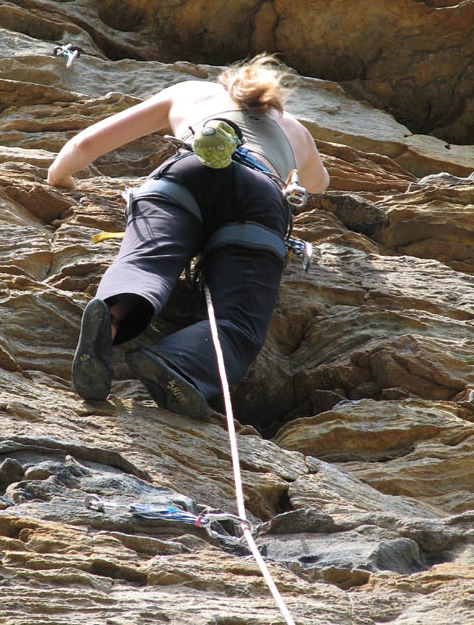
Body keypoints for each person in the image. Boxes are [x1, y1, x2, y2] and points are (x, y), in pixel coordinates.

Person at [47, 55, 329, 421]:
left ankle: (112, 316)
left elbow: (85, 146)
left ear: (224, 83)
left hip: (184, 174)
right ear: (274, 100)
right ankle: (176, 362)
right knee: (238, 319)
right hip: (258, 193)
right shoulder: (297, 131)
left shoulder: (190, 92)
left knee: (145, 263)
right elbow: (318, 188)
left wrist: (59, 176)